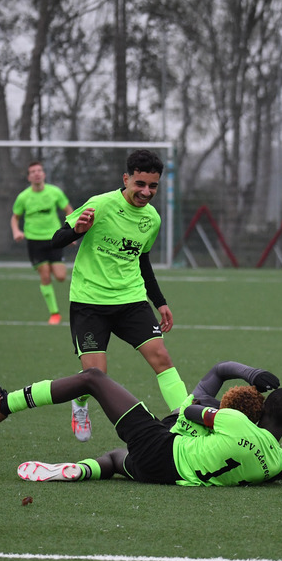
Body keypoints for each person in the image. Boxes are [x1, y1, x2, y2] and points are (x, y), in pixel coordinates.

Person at [0, 359, 282, 485]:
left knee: (93, 377)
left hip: (165, 445)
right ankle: (79, 470)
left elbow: (189, 410)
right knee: (115, 459)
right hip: (166, 476)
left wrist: (214, 408)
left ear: (259, 412)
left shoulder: (230, 420)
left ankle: (4, 403)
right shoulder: (276, 464)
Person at [47, 149, 188, 444]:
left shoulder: (152, 219)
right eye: (140, 184)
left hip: (131, 301)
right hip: (89, 302)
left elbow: (143, 262)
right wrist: (77, 230)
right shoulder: (100, 204)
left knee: (161, 357)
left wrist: (159, 301)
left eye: (153, 186)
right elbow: (55, 242)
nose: (146, 192)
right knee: (96, 376)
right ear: (126, 179)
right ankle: (80, 403)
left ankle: (186, 421)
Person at [11, 161, 74, 325]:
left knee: (60, 276)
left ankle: (51, 265)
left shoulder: (55, 192)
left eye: (39, 171)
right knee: (45, 276)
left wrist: (70, 233)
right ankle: (54, 313)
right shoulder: (23, 197)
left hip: (54, 239)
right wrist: (16, 231)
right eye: (33, 172)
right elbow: (15, 217)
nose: (37, 174)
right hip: (34, 241)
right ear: (29, 177)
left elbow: (68, 210)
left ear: (44, 174)